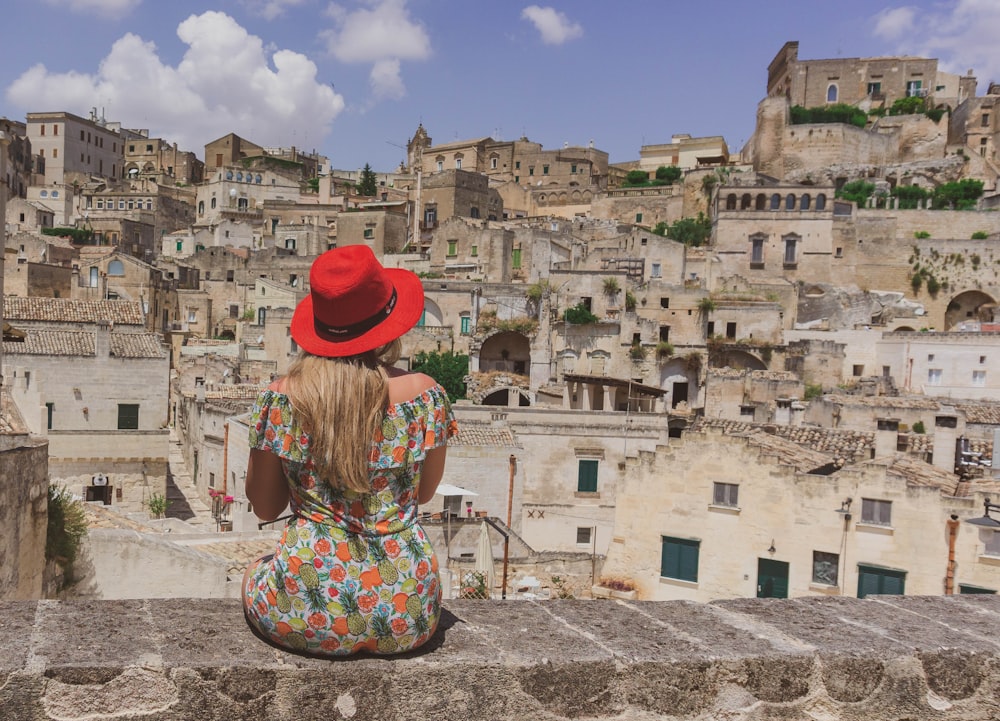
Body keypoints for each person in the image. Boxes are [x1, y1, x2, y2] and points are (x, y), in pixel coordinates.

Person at [242, 245, 458, 656]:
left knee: (254, 572)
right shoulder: (426, 396)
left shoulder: (282, 400)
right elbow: (425, 494)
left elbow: (265, 508)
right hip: (407, 610)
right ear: (388, 322)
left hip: (304, 606)